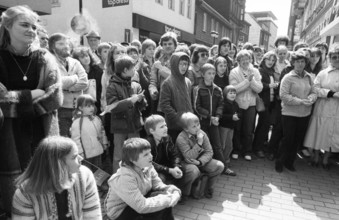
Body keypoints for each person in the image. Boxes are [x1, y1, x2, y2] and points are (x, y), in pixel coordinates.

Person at [0, 5, 62, 216]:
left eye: (34, 26)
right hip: (8, 138)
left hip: (42, 134)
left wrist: (15, 100)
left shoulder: (44, 58)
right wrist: (32, 94)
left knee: (46, 197)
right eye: (24, 24)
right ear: (7, 26)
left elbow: (54, 97)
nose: (31, 30)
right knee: (15, 201)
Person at [12, 136, 101, 219]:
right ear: (58, 164)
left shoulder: (85, 177)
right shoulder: (25, 192)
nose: (81, 158)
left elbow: (93, 216)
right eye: (74, 157)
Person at [105, 138, 181, 220]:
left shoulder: (147, 166)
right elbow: (141, 206)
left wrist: (172, 190)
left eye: (150, 152)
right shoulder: (124, 178)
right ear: (132, 159)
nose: (151, 156)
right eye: (145, 155)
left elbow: (157, 184)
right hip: (121, 211)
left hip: (139, 200)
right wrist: (169, 199)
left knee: (164, 201)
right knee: (161, 205)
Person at [275, 51, 317, 173]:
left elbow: (314, 91)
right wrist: (300, 101)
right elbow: (283, 95)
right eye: (297, 61)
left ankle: (289, 162)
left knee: (297, 140)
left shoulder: (309, 77)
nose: (300, 64)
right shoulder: (288, 77)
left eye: (302, 61)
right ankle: (280, 161)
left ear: (305, 63)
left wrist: (311, 98)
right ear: (293, 63)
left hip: (304, 114)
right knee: (288, 139)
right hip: (290, 114)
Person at [106, 55, 147, 173]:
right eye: (132, 68)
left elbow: (143, 106)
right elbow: (112, 106)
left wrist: (141, 100)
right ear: (125, 70)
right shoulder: (113, 85)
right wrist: (131, 101)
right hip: (119, 127)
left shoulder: (135, 85)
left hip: (134, 125)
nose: (135, 71)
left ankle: (137, 177)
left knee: (137, 153)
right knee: (119, 155)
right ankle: (117, 180)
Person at [304, 43, 339, 170]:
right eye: (334, 57)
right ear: (329, 58)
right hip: (323, 107)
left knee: (333, 134)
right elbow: (315, 88)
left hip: (337, 110)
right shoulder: (323, 73)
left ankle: (326, 158)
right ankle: (316, 156)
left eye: (338, 56)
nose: (337, 59)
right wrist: (331, 93)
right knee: (319, 132)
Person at [176, 112, 224, 199]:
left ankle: (206, 188)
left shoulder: (202, 133)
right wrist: (199, 143)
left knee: (219, 166)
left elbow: (209, 152)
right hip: (186, 163)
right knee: (194, 171)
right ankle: (185, 193)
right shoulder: (181, 138)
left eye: (198, 124)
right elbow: (188, 157)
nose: (197, 128)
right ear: (186, 129)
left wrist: (200, 162)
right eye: (194, 126)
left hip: (199, 161)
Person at [49, 33, 88, 137]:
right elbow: (55, 82)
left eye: (67, 43)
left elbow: (84, 82)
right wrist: (74, 78)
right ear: (53, 46)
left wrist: (67, 88)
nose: (66, 46)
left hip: (79, 108)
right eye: (61, 43)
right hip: (60, 108)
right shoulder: (49, 62)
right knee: (64, 140)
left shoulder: (75, 62)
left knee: (79, 138)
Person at [229, 50, 263, 161]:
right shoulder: (234, 72)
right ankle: (236, 150)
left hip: (251, 105)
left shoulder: (255, 71)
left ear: (250, 60)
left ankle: (247, 150)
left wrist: (251, 80)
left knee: (248, 130)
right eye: (242, 59)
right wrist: (247, 82)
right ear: (238, 61)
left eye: (247, 59)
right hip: (237, 104)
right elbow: (234, 89)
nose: (245, 61)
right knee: (237, 128)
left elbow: (259, 88)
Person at [193, 63, 226, 174]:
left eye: (213, 73)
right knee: (204, 145)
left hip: (214, 122)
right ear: (203, 74)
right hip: (203, 123)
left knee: (217, 145)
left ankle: (224, 167)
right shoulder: (198, 89)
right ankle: (203, 167)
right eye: (209, 73)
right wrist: (209, 116)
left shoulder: (217, 89)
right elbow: (196, 107)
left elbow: (221, 104)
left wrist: (217, 116)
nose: (212, 76)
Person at [159, 52, 193, 141]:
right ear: (174, 65)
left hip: (188, 124)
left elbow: (190, 102)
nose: (183, 67)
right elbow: (164, 105)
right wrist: (178, 118)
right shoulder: (167, 83)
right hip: (174, 126)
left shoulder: (188, 81)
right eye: (180, 64)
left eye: (185, 64)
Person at [71, 94, 108, 170]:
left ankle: (98, 182)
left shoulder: (96, 119)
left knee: (98, 171)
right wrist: (80, 152)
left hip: (98, 152)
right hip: (86, 155)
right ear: (80, 108)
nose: (91, 108)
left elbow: (102, 132)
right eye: (88, 106)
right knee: (87, 171)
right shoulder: (77, 122)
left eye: (92, 105)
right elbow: (75, 139)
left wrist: (104, 143)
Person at [253, 51, 279, 158]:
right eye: (269, 59)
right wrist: (270, 85)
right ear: (264, 59)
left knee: (263, 125)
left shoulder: (272, 71)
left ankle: (258, 146)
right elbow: (259, 85)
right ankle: (257, 148)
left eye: (273, 60)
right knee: (264, 125)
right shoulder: (260, 70)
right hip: (263, 102)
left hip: (271, 102)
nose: (271, 62)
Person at [149, 32, 177, 113]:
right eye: (165, 44)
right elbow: (153, 81)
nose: (167, 46)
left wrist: (161, 68)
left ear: (175, 45)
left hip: (174, 100)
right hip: (161, 101)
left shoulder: (179, 59)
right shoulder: (158, 61)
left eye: (170, 44)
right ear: (161, 46)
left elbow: (176, 79)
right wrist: (153, 90)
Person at [72, 46, 103, 114]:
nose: (86, 58)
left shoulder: (97, 70)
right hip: (81, 104)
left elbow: (101, 88)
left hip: (96, 103)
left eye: (87, 56)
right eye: (82, 57)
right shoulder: (75, 72)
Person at [219, 85, 240, 176]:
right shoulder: (223, 104)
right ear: (225, 94)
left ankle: (226, 162)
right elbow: (221, 116)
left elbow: (239, 112)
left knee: (229, 146)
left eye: (234, 93)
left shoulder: (235, 104)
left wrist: (237, 116)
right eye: (230, 93)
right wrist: (231, 117)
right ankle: (221, 164)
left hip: (231, 128)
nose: (233, 95)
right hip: (223, 128)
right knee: (222, 145)